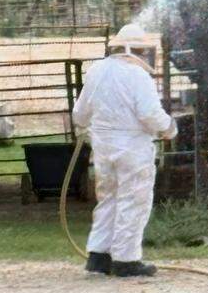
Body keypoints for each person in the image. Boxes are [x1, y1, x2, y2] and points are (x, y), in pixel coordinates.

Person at [71, 23, 178, 277]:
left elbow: (80, 113)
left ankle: (98, 256)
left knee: (108, 198)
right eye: (141, 50)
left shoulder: (97, 70)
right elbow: (149, 113)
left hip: (103, 147)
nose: (143, 56)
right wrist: (169, 127)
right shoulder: (137, 75)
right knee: (134, 199)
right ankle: (126, 260)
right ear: (132, 49)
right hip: (132, 148)